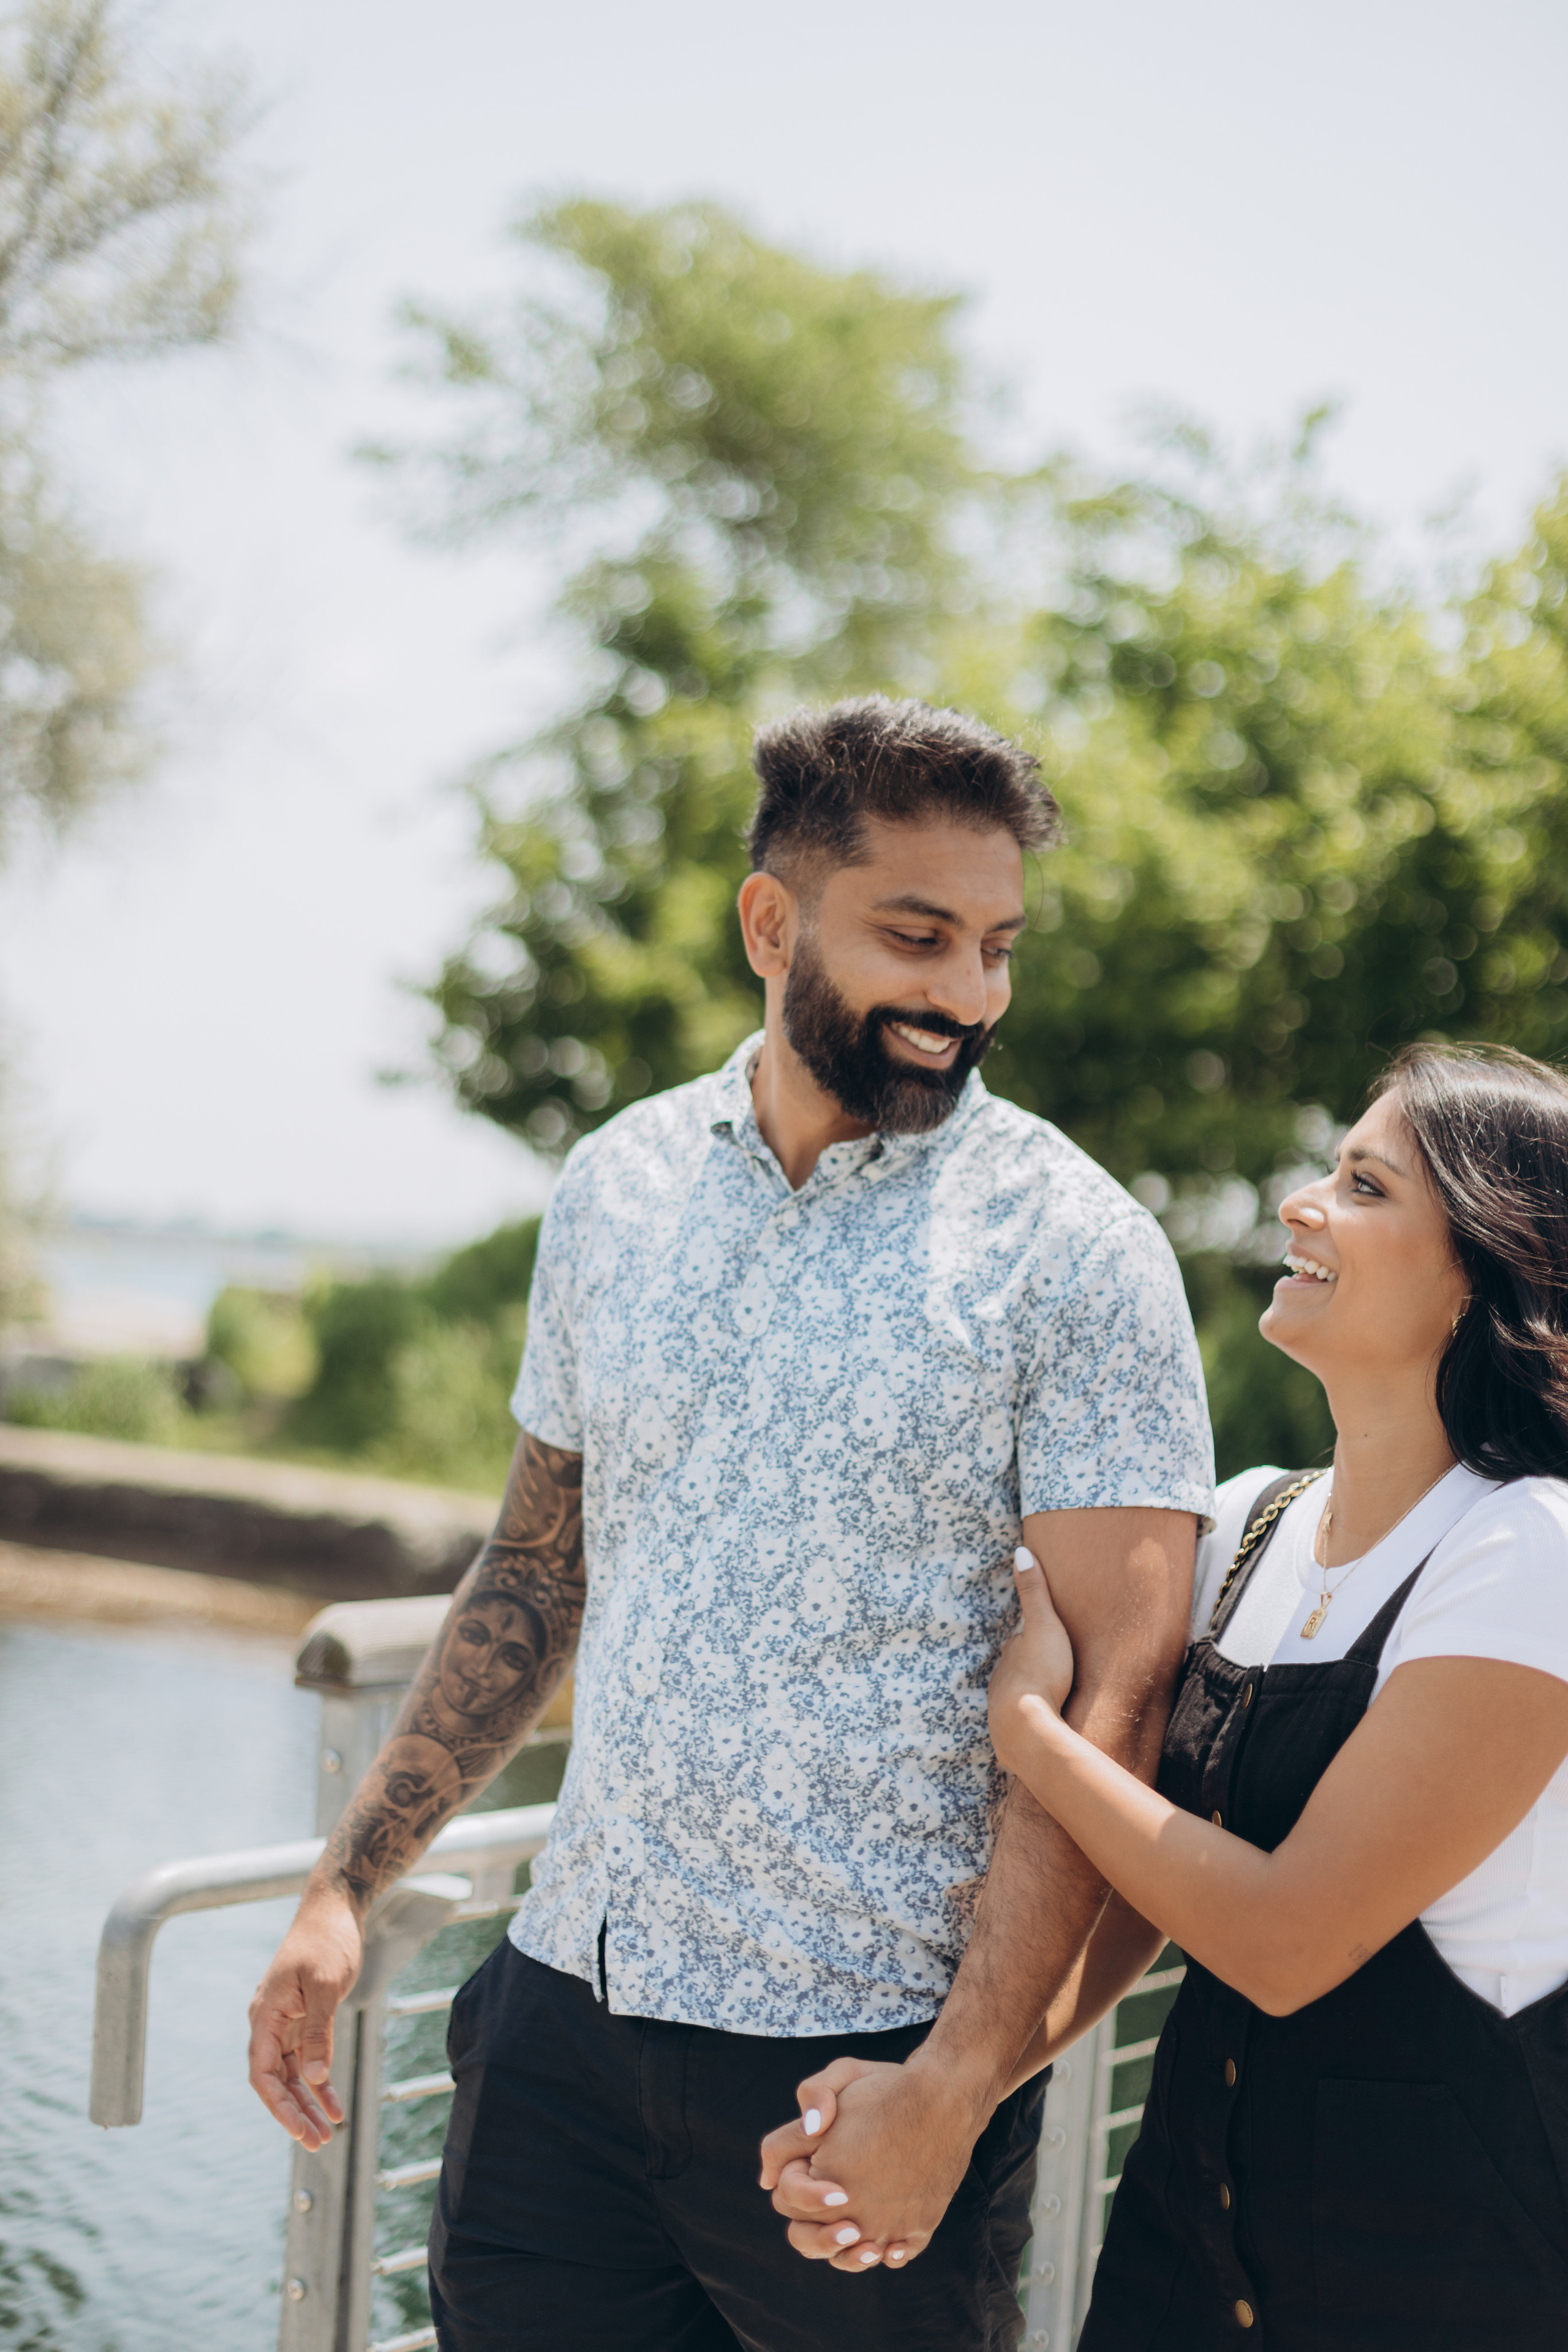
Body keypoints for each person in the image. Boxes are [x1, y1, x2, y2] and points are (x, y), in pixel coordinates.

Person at [247, 694, 1214, 2352]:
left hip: (862, 2074)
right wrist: (348, 1886)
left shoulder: (1075, 1247)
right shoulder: (615, 1187)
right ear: (774, 922)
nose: (967, 996)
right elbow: (538, 1565)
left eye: (998, 946)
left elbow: (1124, 1700)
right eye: (919, 937)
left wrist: (960, 2084)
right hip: (560, 2028)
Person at [951, 1041, 1568, 2348]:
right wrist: (951, 2095)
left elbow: (1285, 1943)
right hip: (1181, 2257)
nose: (1300, 1202)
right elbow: (1140, 1888)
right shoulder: (1244, 1523)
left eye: (1362, 1184)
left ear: (1477, 1268)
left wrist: (1032, 1738)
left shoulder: (1528, 1548)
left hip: (1437, 2288)